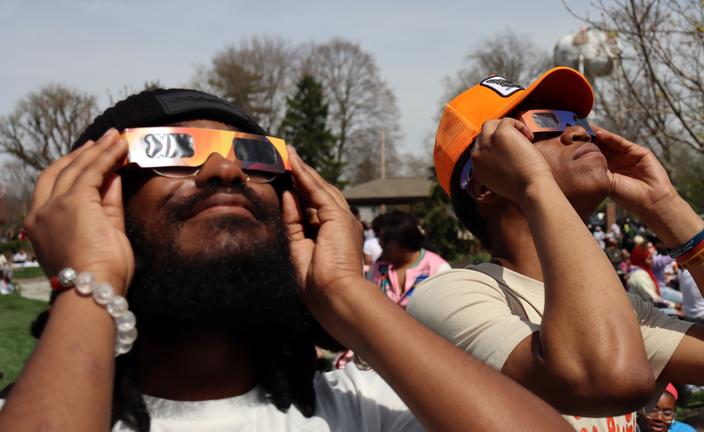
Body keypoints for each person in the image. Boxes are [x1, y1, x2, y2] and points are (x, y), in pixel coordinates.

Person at [0, 89, 573, 431]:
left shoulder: (362, 411)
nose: (226, 171)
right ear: (95, 205)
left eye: (255, 157)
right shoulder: (35, 410)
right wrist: (87, 283)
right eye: (169, 150)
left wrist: (345, 292)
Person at [407, 67, 704, 431]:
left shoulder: (621, 307)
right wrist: (534, 183)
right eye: (544, 123)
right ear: (484, 182)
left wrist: (666, 207)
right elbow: (606, 379)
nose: (580, 131)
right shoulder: (450, 296)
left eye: (577, 120)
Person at [369, 211, 450, 309]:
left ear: (403, 243)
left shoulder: (438, 269)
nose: (381, 247)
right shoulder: (378, 267)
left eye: (386, 245)